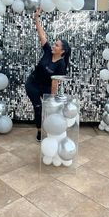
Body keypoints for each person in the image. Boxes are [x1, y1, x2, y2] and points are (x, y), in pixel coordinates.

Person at [25, 8, 71, 142]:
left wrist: (51, 99)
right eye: (54, 44)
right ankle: (39, 131)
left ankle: (51, 128)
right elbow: (42, 35)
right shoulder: (47, 51)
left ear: (62, 51)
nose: (53, 46)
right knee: (38, 108)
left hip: (46, 87)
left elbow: (54, 84)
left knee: (48, 109)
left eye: (56, 46)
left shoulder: (61, 65)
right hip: (32, 84)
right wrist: (36, 18)